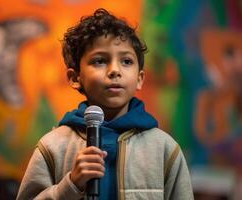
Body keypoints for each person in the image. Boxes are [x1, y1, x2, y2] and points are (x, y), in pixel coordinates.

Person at [16, 8, 193, 200]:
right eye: (100, 61)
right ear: (75, 77)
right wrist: (70, 185)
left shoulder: (163, 148)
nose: (115, 70)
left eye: (126, 61)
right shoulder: (53, 147)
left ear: (140, 79)